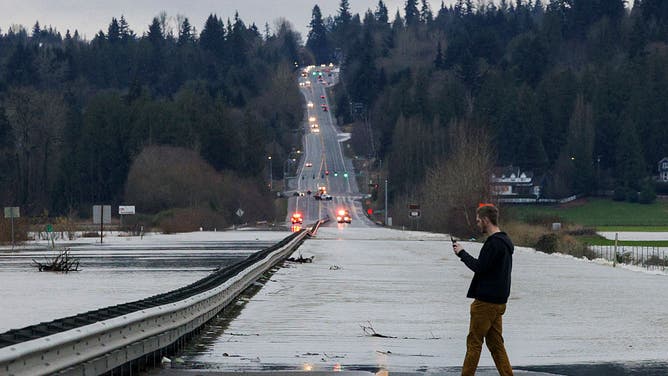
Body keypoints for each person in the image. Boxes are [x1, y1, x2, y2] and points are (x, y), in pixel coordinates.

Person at [452, 205, 514, 376]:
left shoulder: (493, 244)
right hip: (499, 303)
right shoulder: (506, 242)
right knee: (496, 345)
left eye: (479, 221)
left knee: (474, 343)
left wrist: (462, 253)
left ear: (486, 220)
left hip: (485, 304)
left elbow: (480, 267)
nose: (477, 224)